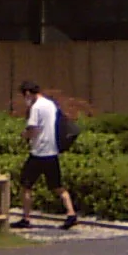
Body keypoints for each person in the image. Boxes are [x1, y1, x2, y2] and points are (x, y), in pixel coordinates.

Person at [13, 80, 78, 230]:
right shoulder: (50, 104)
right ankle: (71, 214)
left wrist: (24, 135)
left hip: (38, 152)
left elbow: (33, 129)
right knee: (57, 186)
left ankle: (26, 218)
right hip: (52, 151)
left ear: (28, 93)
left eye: (25, 96)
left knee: (26, 185)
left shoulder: (36, 107)